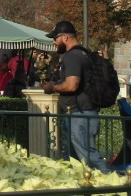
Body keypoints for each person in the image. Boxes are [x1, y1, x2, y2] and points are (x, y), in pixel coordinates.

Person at [41, 20, 110, 173]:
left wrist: (53, 87)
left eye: (55, 38)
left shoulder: (72, 56)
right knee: (77, 161)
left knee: (88, 158)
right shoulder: (83, 53)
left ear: (65, 37)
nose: (54, 42)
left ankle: (114, 185)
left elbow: (72, 85)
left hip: (79, 115)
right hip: (85, 112)